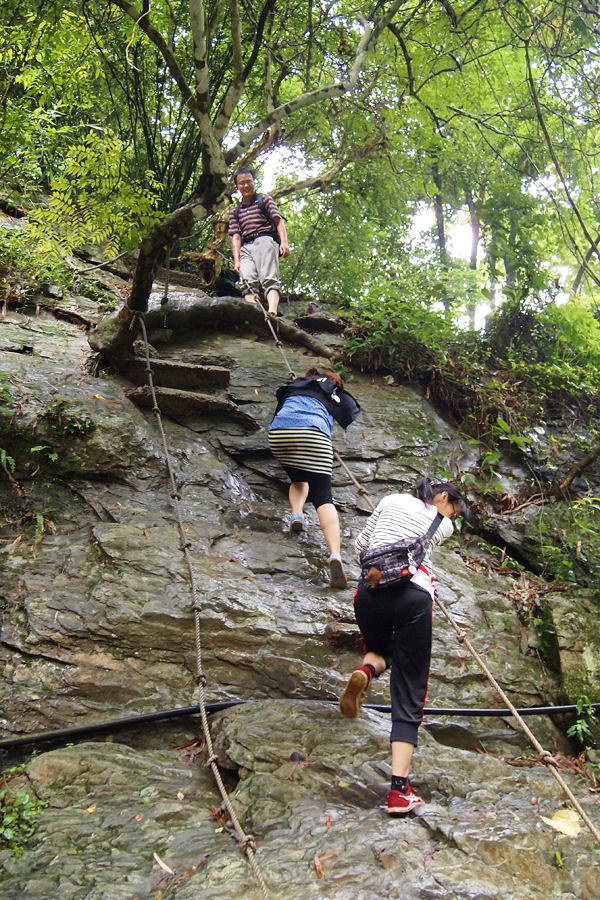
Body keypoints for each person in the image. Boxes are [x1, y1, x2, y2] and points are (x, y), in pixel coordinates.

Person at [339, 478, 469, 814]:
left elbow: (359, 548)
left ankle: (366, 671)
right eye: (453, 509)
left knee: (382, 650)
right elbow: (435, 532)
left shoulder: (390, 499)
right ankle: (399, 790)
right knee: (409, 688)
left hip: (368, 595)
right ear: (442, 497)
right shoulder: (443, 524)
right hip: (412, 597)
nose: (452, 516)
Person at [268, 368, 360, 588]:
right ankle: (335, 555)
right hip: (313, 434)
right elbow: (346, 412)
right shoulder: (332, 390)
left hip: (279, 433)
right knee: (323, 498)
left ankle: (297, 515)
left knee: (298, 478)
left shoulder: (295, 385)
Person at [229, 168, 290, 316]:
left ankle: (272, 312)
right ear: (237, 186)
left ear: (254, 182)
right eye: (241, 183)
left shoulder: (264, 199)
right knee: (247, 283)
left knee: (269, 278)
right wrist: (236, 261)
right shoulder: (235, 211)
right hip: (246, 247)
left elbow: (278, 221)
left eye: (248, 182)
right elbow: (236, 238)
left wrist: (284, 243)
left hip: (264, 239)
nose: (245, 186)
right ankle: (256, 314)